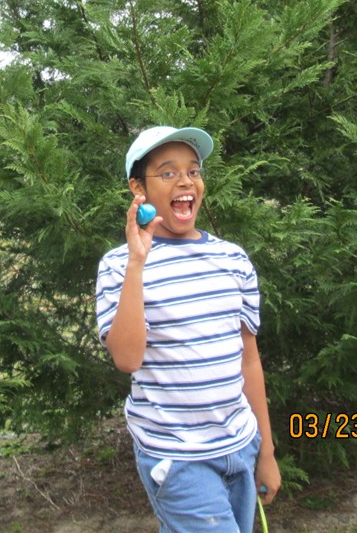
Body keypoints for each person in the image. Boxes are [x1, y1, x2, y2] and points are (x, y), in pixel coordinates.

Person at [96, 126, 281, 532]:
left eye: (193, 171)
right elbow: (126, 358)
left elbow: (249, 361)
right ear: (138, 188)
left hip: (240, 446)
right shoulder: (118, 265)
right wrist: (137, 263)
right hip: (176, 458)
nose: (185, 181)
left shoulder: (233, 260)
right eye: (168, 172)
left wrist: (265, 451)